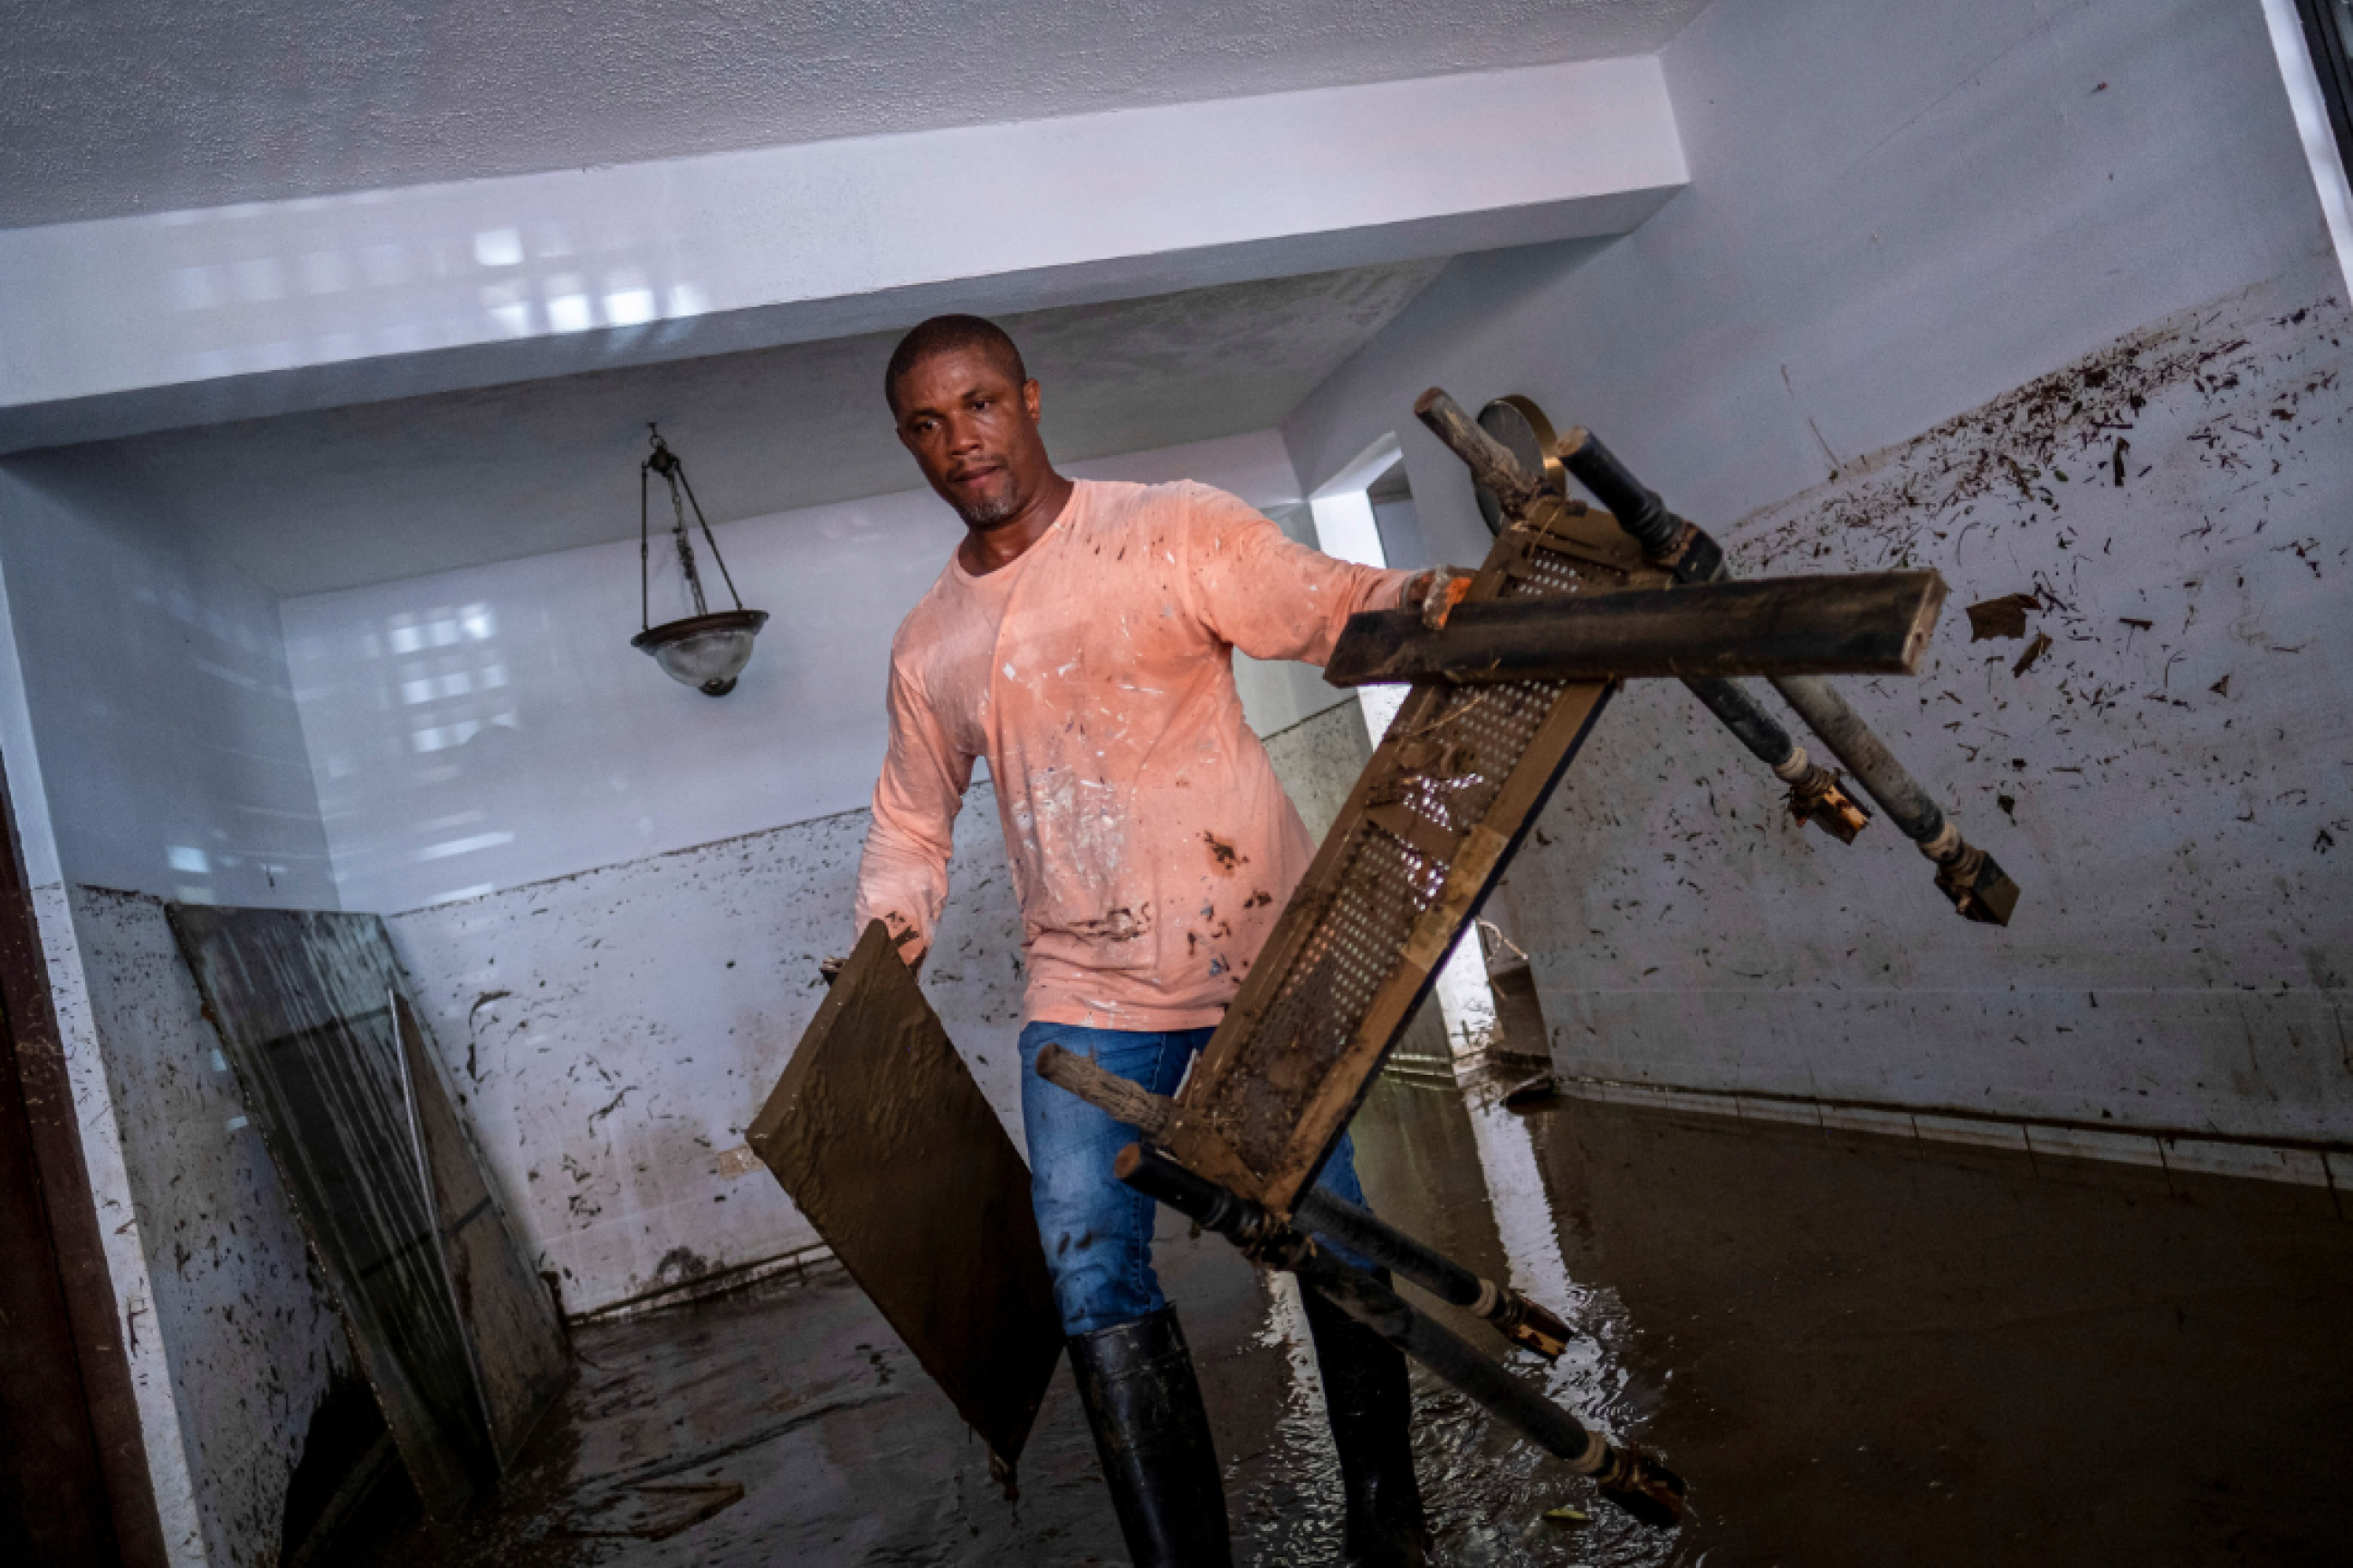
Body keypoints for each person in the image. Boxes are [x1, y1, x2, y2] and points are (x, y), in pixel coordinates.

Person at [853, 314, 1459, 1568]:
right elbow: (913, 820)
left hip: (1258, 963)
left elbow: (1327, 607)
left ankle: (1387, 1524)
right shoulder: (930, 645)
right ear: (909, 445)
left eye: (977, 405)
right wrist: (885, 936)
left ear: (1028, 397)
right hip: (1084, 995)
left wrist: (1435, 603)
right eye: (926, 423)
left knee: (1330, 1233)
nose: (959, 441)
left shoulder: (1167, 527)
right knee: (1091, 1279)